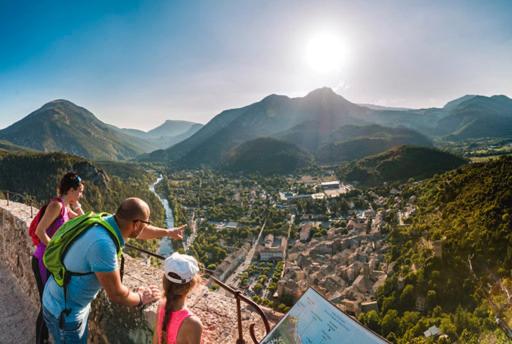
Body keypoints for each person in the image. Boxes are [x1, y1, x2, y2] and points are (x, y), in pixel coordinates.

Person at [42, 197, 186, 343]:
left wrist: (168, 232)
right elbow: (116, 294)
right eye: (146, 222)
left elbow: (139, 231)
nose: (146, 226)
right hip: (65, 314)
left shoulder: (105, 220)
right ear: (136, 224)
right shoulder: (103, 245)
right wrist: (141, 298)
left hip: (58, 300)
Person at [32, 172, 85, 344]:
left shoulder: (64, 206)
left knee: (49, 303)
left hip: (49, 261)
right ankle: (40, 340)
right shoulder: (56, 206)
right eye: (79, 191)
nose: (80, 195)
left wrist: (77, 205)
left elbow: (83, 220)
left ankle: (44, 338)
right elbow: (40, 231)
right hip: (43, 260)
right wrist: (56, 251)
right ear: (70, 190)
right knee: (45, 304)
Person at [154, 252, 203, 344]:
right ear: (191, 285)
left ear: (164, 281)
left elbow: (156, 340)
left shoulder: (162, 304)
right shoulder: (193, 324)